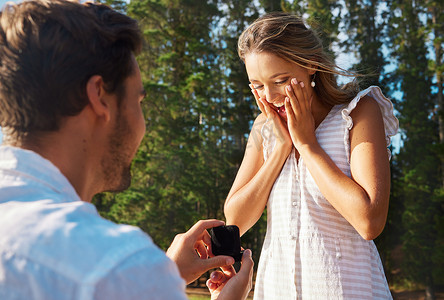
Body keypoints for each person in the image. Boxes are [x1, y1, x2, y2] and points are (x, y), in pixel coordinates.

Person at [0, 1, 253, 299]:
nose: (142, 122)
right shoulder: (115, 266)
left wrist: (163, 277)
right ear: (99, 96)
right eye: (138, 101)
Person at [224, 12, 399, 299]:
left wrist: (307, 145)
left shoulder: (358, 112)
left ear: (311, 65)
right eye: (256, 85)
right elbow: (235, 218)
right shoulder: (264, 128)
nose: (268, 96)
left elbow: (369, 222)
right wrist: (280, 149)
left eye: (280, 80)